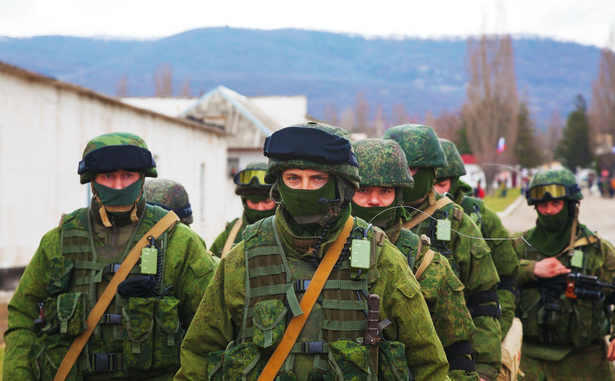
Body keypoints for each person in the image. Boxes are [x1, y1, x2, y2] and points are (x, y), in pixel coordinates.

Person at [175, 122, 450, 380]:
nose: (304, 189)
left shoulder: (380, 256)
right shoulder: (246, 255)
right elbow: (200, 353)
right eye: (293, 178)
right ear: (279, 184)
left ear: (341, 184)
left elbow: (426, 360)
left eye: (317, 178)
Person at [3, 132, 218, 381]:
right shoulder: (57, 242)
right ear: (92, 180)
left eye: (127, 175)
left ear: (142, 178)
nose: (118, 186)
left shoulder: (179, 242)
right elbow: (22, 319)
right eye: (108, 176)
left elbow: (209, 331)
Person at [351, 138, 479, 380]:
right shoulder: (322, 251)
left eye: (385, 192)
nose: (374, 201)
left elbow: (458, 350)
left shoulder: (428, 262)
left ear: (399, 195)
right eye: (363, 191)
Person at [384, 124, 502, 381]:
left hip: (445, 364)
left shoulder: (457, 223)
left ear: (431, 172)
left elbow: (485, 302)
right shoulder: (367, 218)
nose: (406, 177)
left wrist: (483, 370)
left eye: (413, 169)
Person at [512, 168, 615, 380]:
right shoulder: (519, 246)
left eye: (556, 204)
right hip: (529, 362)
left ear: (570, 206)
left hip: (585, 363)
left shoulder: (597, 250)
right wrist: (531, 270)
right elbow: (489, 283)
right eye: (543, 204)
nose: (549, 210)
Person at [434, 138, 520, 339]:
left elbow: (507, 280)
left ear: (455, 181)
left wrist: (496, 334)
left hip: (473, 335)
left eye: (441, 184)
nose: (434, 192)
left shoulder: (481, 217)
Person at [209, 161, 278, 257]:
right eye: (253, 202)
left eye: (266, 202)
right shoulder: (231, 234)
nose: (260, 208)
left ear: (277, 201)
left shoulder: (289, 232)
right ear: (244, 202)